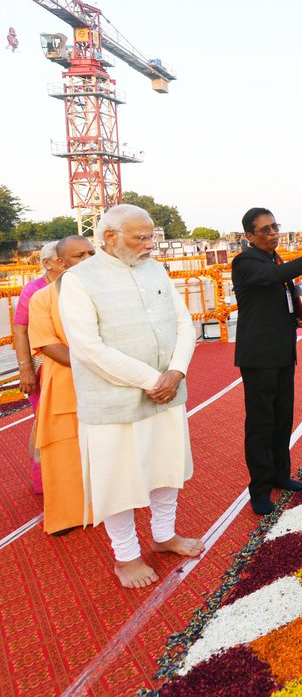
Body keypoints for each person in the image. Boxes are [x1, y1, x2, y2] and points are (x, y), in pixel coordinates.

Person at [58, 204, 204, 589]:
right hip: (115, 400)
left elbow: (183, 324)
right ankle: (126, 558)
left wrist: (176, 371)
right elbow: (88, 347)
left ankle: (164, 534)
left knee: (165, 466)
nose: (150, 245)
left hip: (167, 391)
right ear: (109, 237)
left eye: (152, 236)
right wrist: (151, 379)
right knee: (118, 480)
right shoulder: (79, 280)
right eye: (141, 237)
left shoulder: (155, 268)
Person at [232, 207, 302, 515]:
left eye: (275, 227)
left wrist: (297, 314)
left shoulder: (274, 258)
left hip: (282, 349)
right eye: (265, 230)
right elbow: (273, 278)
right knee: (260, 422)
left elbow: (279, 288)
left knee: (283, 416)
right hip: (258, 355)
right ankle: (259, 488)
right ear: (249, 237)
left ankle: (280, 474)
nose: (273, 234)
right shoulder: (245, 261)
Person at [27, 235, 95, 534]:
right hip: (65, 384)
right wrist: (96, 364)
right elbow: (46, 344)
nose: (86, 261)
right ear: (60, 262)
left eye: (91, 254)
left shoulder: (105, 293)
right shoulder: (42, 297)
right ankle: (67, 515)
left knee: (105, 450)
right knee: (64, 454)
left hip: (105, 384)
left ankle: (106, 507)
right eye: (78, 256)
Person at [13, 241, 59, 493]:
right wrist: (25, 370)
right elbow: (20, 331)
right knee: (45, 425)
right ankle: (46, 481)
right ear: (48, 263)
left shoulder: (78, 286)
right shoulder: (34, 290)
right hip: (44, 368)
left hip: (75, 368)